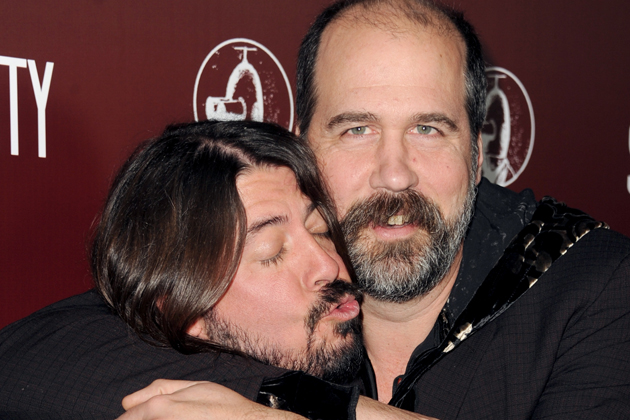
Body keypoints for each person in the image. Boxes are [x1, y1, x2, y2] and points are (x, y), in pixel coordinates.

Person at [123, 0, 630, 418]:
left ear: (477, 157)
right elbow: (79, 352)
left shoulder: (596, 284)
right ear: (302, 152)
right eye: (357, 130)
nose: (394, 174)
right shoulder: (250, 280)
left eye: (427, 129)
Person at [0, 120, 371, 419]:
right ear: (186, 308)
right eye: (272, 252)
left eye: (321, 230)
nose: (329, 264)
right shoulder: (79, 355)